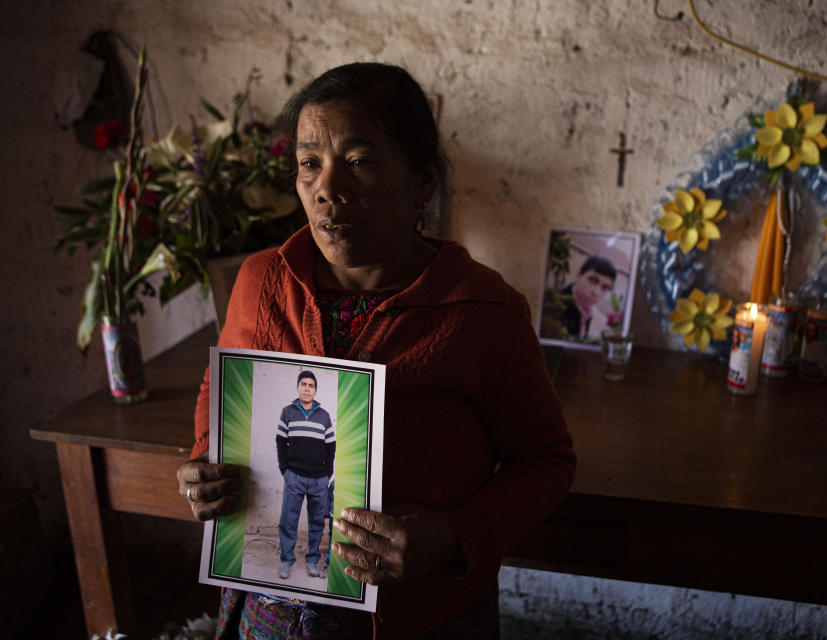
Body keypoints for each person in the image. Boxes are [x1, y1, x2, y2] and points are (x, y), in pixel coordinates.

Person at [176, 61, 576, 639]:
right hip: (271, 609)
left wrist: (452, 533)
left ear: (423, 182)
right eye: (309, 163)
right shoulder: (263, 281)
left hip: (419, 617)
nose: (326, 189)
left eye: (359, 163)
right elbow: (225, 390)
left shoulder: (484, 312)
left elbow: (546, 462)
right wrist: (204, 464)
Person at [276, 370, 335, 580]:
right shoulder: (287, 412)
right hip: (294, 476)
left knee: (317, 522)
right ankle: (286, 561)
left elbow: (330, 447)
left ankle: (312, 561)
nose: (307, 388)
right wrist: (285, 469)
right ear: (298, 387)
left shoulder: (324, 416)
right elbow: (281, 442)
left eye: (311, 385)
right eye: (303, 384)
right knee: (288, 520)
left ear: (315, 390)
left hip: (319, 479)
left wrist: (327, 473)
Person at [557, 255, 616, 339]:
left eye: (605, 287)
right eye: (592, 280)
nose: (596, 292)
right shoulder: (555, 303)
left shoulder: (587, 311)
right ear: (579, 275)